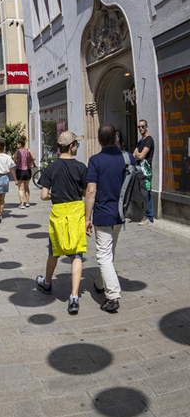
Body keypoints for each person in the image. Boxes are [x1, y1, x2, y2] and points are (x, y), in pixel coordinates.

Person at [85, 123, 137, 314]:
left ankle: (113, 296)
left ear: (99, 141)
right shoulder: (128, 157)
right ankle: (99, 283)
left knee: (104, 254)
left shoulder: (95, 160)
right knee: (109, 251)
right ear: (116, 137)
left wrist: (87, 217)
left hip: (103, 213)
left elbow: (91, 191)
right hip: (121, 213)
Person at [35, 131, 87, 315]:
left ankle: (47, 283)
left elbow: (43, 196)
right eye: (77, 144)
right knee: (76, 255)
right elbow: (85, 192)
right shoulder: (81, 167)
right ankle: (74, 296)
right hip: (75, 214)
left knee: (53, 252)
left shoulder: (51, 168)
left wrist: (53, 195)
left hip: (58, 213)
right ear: (72, 146)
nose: (77, 147)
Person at [133, 118, 155, 225]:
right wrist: (138, 155)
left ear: (146, 127)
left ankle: (149, 217)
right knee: (142, 193)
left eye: (142, 126)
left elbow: (141, 155)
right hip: (140, 170)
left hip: (146, 171)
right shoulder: (140, 141)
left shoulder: (149, 140)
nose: (140, 128)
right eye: (139, 127)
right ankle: (145, 215)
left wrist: (138, 155)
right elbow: (134, 155)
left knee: (147, 193)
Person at [13, 134, 36, 208]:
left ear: (19, 144)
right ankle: (28, 202)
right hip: (28, 171)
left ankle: (22, 203)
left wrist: (17, 160)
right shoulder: (28, 150)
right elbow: (34, 158)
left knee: (21, 188)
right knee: (27, 187)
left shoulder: (17, 152)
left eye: (17, 143)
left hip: (20, 171)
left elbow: (14, 160)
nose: (17, 145)